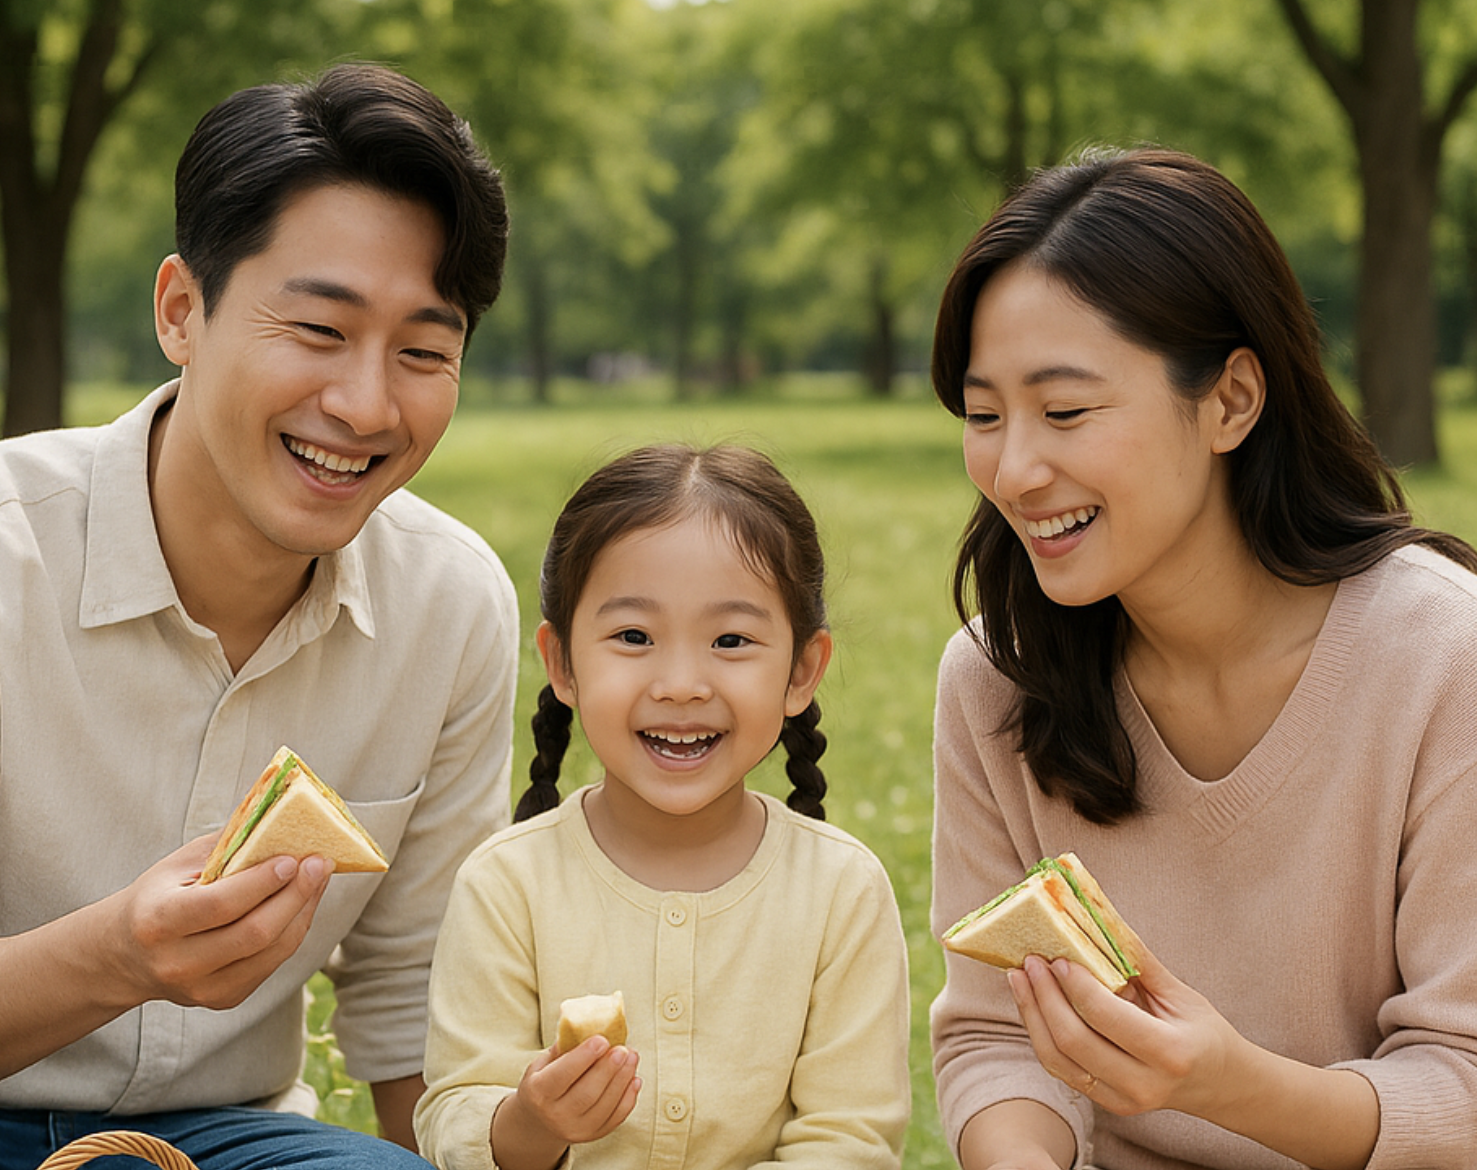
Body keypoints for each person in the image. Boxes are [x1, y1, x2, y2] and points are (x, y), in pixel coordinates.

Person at [0, 63, 516, 1170]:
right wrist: (118, 957)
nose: (367, 406)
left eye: (423, 351)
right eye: (319, 330)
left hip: (231, 1140)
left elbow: (414, 986)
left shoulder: (451, 605)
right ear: (182, 310)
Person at [928, 145, 1477, 1170]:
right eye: (982, 415)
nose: (1011, 469)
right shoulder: (996, 681)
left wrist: (1226, 1087)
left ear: (1229, 400)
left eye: (1064, 411)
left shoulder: (1445, 660)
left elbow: (1464, 1088)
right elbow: (995, 1038)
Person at [413, 444, 912, 1170]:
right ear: (562, 666)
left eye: (731, 640)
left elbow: (849, 1140)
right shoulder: (507, 883)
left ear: (802, 670)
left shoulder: (843, 892)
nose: (681, 683)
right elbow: (459, 1112)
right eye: (634, 637)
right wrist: (531, 1119)